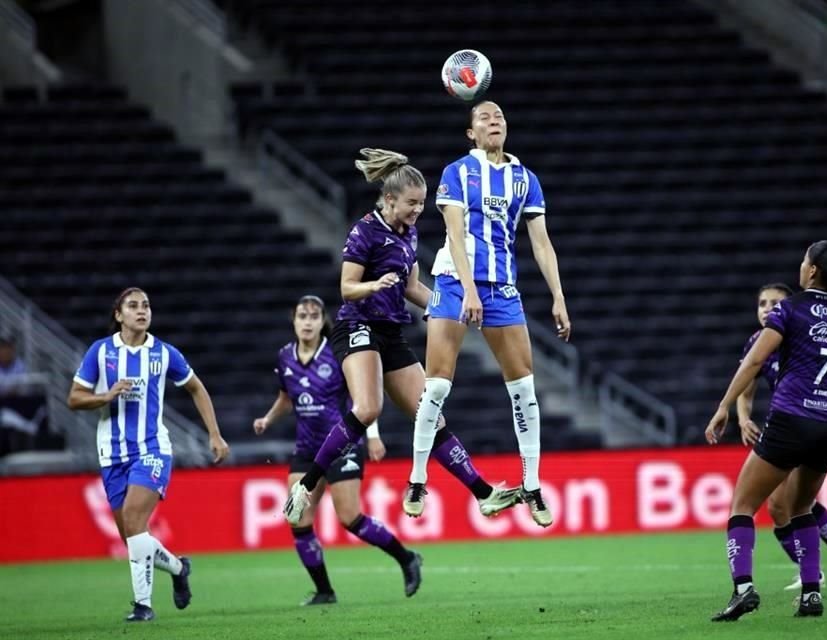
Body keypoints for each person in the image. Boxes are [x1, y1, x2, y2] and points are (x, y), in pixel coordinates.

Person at [283, 149, 519, 538]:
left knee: (431, 414)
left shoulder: (408, 234)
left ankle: (483, 493)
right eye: (412, 203)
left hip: (391, 331)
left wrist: (451, 307)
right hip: (357, 326)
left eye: (422, 204)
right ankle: (304, 488)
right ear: (389, 198)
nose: (417, 211)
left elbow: (412, 288)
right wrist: (373, 285)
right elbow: (346, 288)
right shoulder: (364, 231)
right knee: (368, 407)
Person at [404, 100, 571, 527]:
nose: (494, 121)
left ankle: (532, 487)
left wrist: (558, 296)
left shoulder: (526, 179)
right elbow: (455, 235)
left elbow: (541, 243)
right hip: (455, 282)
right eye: (484, 118)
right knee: (437, 386)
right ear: (471, 134)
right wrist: (470, 290)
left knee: (524, 392)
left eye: (499, 116)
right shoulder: (458, 171)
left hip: (504, 290)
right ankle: (417, 481)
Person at [705, 241, 827, 621]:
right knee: (801, 507)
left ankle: (743, 590)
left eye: (804, 261)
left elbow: (757, 358)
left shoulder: (790, 309)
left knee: (742, 505)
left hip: (791, 418)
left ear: (810, 272)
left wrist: (724, 406)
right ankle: (810, 595)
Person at [67, 287, 230, 622]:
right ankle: (179, 567)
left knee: (134, 520)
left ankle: (143, 605)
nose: (141, 311)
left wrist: (214, 434)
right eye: (132, 306)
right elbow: (74, 398)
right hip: (111, 454)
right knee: (132, 535)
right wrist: (106, 396)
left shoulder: (164, 353)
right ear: (118, 315)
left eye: (146, 306)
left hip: (153, 449)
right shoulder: (101, 352)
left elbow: (196, 387)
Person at [254, 294, 414, 603]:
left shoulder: (337, 352)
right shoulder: (285, 357)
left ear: (322, 321)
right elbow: (286, 398)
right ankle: (325, 592)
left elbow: (363, 396)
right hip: (306, 447)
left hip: (342, 444)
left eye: (314, 316)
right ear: (294, 320)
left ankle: (406, 558)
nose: (308, 321)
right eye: (303, 316)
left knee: (349, 517)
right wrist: (268, 419)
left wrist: (372, 435)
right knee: (296, 518)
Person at [736, 283, 827, 590]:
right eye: (762, 302)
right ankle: (819, 569)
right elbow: (746, 387)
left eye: (774, 302)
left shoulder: (801, 334)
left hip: (807, 421)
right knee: (781, 507)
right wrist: (742, 418)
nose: (767, 308)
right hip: (788, 424)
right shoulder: (758, 342)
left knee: (789, 504)